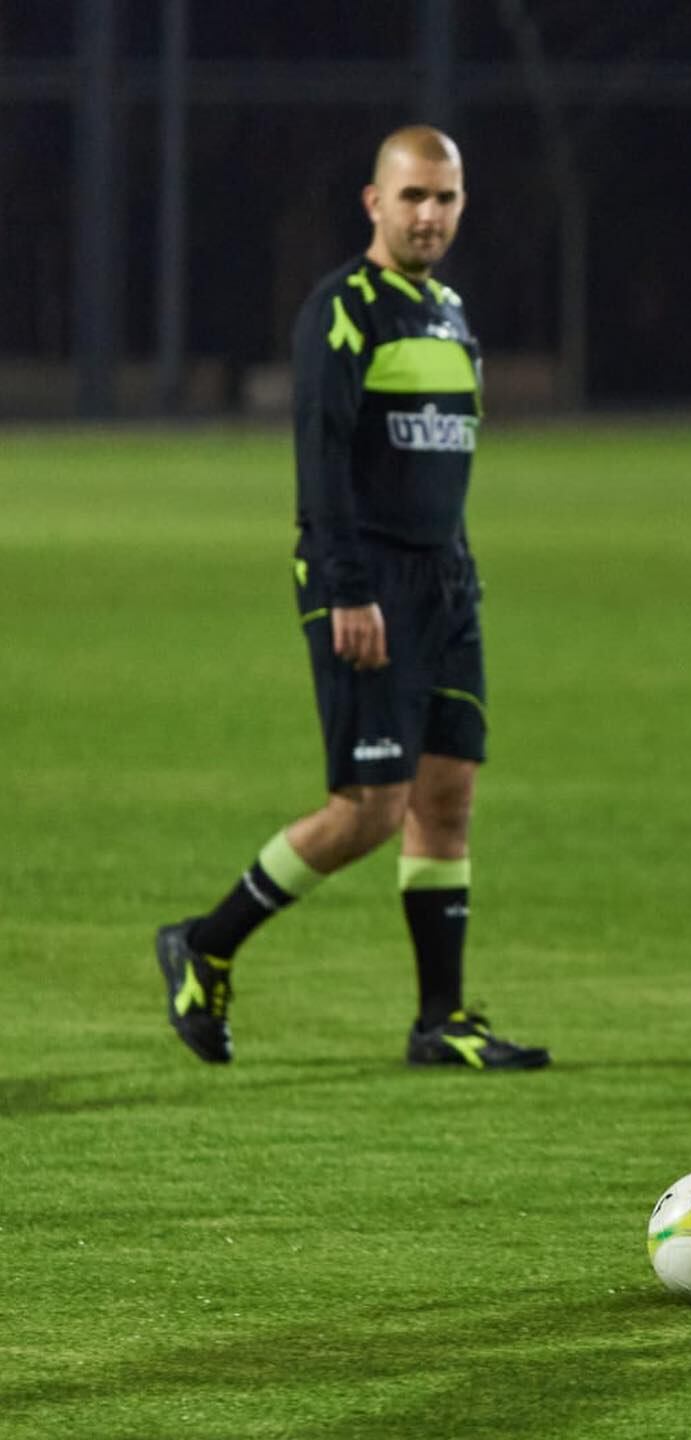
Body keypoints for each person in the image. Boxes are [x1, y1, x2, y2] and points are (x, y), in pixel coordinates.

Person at [156, 125, 549, 1073]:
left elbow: (440, 467)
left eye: (445, 198)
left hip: (445, 583)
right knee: (370, 809)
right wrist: (348, 587)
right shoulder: (342, 311)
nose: (429, 215)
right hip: (363, 582)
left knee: (446, 797)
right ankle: (206, 943)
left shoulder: (451, 314)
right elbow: (322, 461)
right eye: (412, 196)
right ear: (374, 203)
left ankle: (440, 1021)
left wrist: (455, 571)